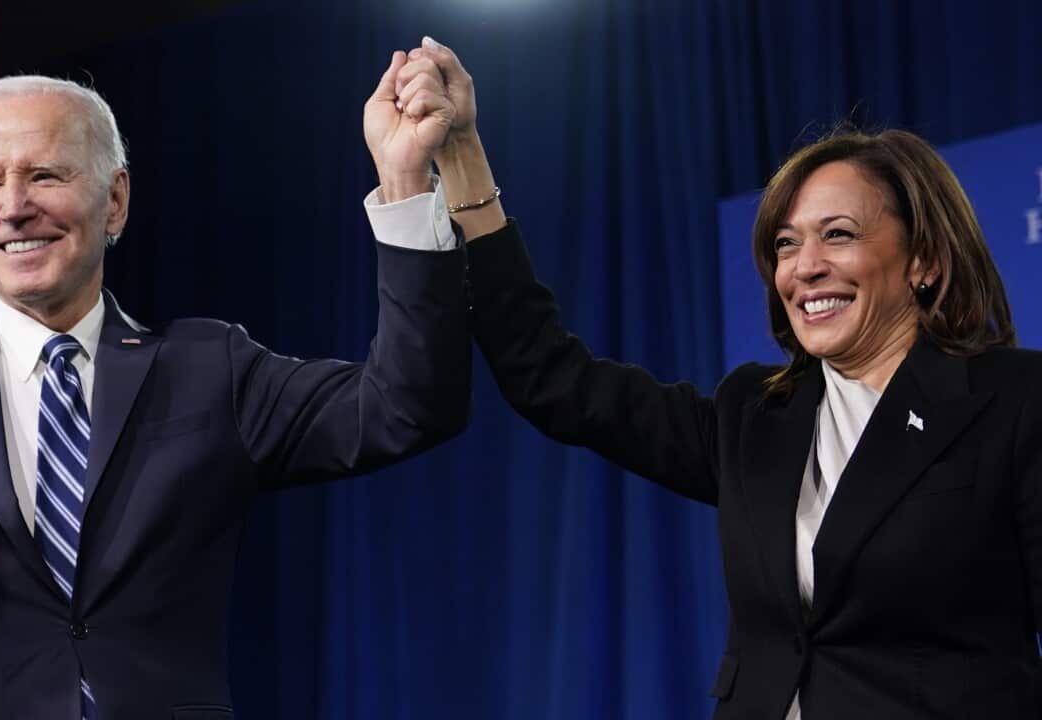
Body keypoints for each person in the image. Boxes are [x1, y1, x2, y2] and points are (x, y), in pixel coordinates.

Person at [383, 39, 1042, 719]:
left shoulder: (1015, 403)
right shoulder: (754, 414)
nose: (803, 267)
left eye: (837, 235)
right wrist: (460, 155)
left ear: (924, 261)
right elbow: (550, 378)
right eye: (786, 243)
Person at [0, 49, 469, 720]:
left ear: (114, 199)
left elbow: (407, 409)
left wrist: (405, 182)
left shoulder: (211, 368)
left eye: (43, 174)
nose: (13, 207)